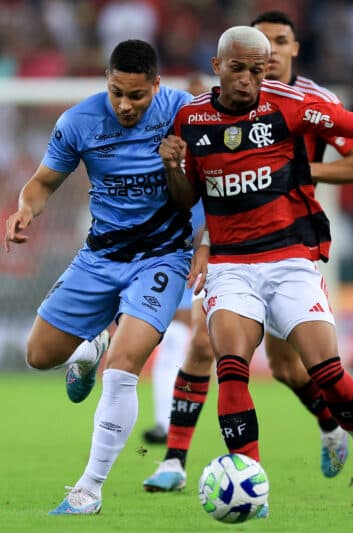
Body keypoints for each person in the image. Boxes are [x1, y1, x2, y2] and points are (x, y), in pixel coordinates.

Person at [159, 26, 353, 503]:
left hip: (290, 260)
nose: (247, 79)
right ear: (217, 67)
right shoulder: (190, 118)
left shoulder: (289, 104)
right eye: (238, 69)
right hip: (231, 266)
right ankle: (252, 487)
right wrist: (173, 168)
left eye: (257, 70)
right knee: (232, 367)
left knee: (325, 370)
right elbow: (188, 198)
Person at [142, 10, 353, 490]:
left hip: (290, 243)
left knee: (289, 368)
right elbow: (212, 167)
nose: (269, 52)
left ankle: (331, 424)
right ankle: (174, 460)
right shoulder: (224, 103)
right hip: (229, 241)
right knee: (205, 343)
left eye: (279, 42)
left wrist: (296, 173)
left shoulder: (312, 102)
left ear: (291, 50)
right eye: (260, 43)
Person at [3, 39, 194, 516]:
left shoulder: (183, 114)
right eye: (116, 93)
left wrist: (174, 165)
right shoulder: (79, 121)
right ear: (106, 83)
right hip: (100, 257)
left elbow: (192, 198)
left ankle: (89, 489)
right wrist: (25, 210)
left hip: (162, 258)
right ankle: (92, 348)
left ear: (156, 85)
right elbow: (43, 183)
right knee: (39, 355)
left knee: (123, 370)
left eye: (137, 95)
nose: (125, 105)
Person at [142, 76, 209, 445]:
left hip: (211, 257)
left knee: (190, 342)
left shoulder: (215, 150)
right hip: (171, 255)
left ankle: (171, 423)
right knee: (176, 341)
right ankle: (165, 423)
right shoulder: (164, 148)